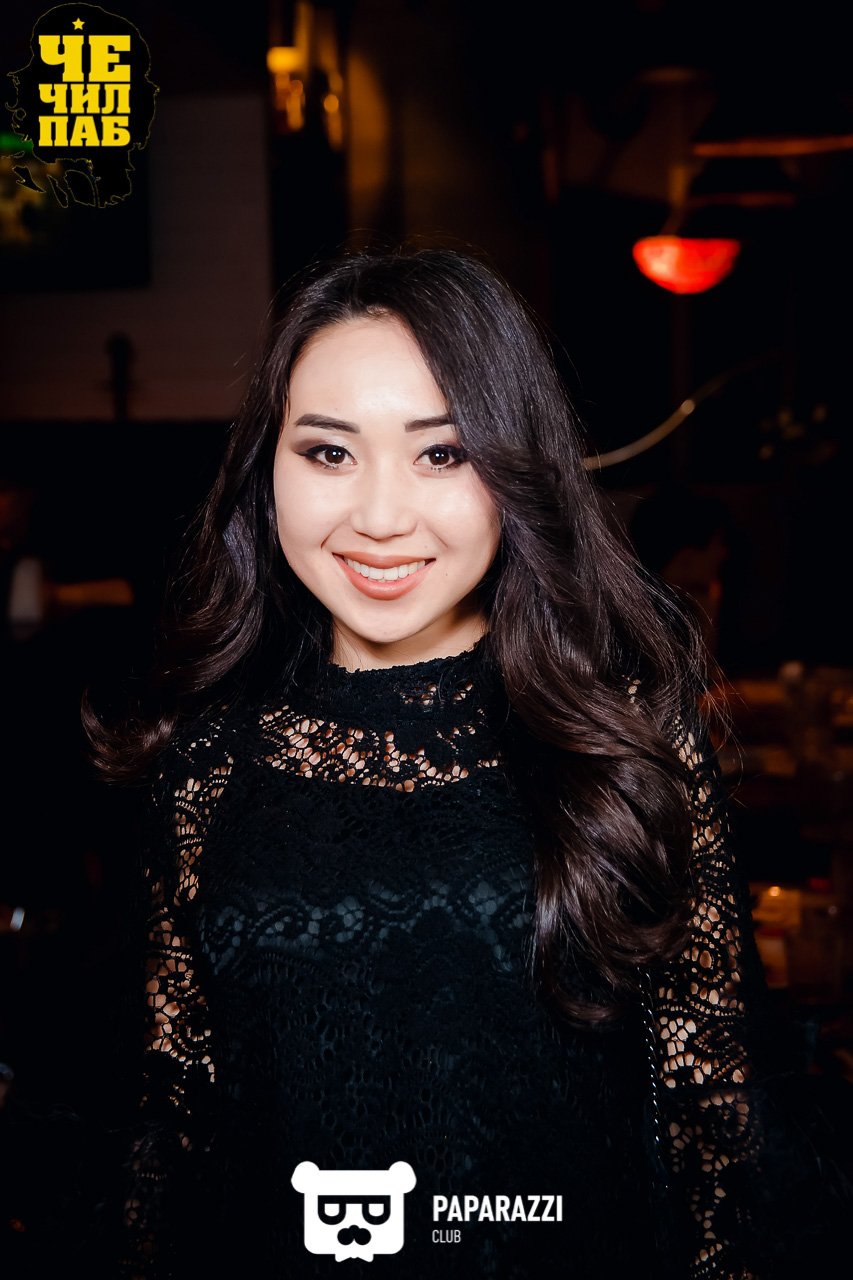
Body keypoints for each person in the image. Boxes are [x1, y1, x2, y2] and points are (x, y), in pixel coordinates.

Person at [82, 247, 840, 1279]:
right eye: (329, 452)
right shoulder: (207, 759)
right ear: (268, 471)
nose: (379, 516)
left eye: (441, 454)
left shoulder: (620, 737)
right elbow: (172, 1114)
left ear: (516, 468)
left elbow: (715, 1105)